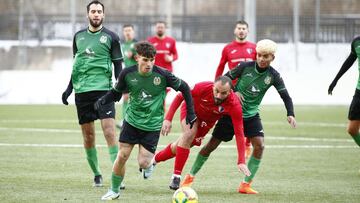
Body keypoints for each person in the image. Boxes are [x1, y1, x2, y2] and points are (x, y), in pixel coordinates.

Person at [181, 39, 297, 194]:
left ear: (272, 58)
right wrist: (234, 91)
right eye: (260, 55)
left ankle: (245, 184)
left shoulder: (274, 75)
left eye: (266, 56)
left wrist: (290, 113)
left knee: (260, 145)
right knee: (211, 146)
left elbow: (286, 96)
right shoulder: (245, 67)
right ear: (256, 55)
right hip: (230, 113)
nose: (262, 59)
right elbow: (225, 79)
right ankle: (190, 176)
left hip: (251, 115)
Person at [96, 41, 196, 200]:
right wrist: (103, 100)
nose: (149, 64)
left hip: (152, 125)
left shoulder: (163, 74)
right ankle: (114, 190)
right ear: (137, 58)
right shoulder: (127, 74)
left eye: (152, 60)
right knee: (122, 156)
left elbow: (184, 87)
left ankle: (149, 165)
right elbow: (116, 93)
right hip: (131, 122)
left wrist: (191, 112)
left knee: (143, 162)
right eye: (145, 60)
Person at [61, 0, 124, 188]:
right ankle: (97, 174)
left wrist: (118, 89)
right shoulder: (78, 36)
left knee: (110, 132)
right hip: (82, 92)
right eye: (93, 11)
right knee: (88, 137)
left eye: (99, 12)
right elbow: (77, 65)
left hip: (104, 91)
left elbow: (118, 66)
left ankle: (116, 176)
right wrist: (69, 88)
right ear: (88, 14)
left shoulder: (112, 37)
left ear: (103, 15)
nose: (96, 14)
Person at [152, 76, 251, 191]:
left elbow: (239, 132)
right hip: (190, 110)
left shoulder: (234, 105)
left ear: (230, 92)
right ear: (213, 87)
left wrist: (241, 161)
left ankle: (155, 159)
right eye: (216, 91)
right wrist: (168, 118)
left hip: (206, 122)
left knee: (181, 145)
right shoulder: (203, 87)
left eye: (223, 93)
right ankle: (176, 176)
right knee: (189, 134)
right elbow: (180, 96)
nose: (219, 95)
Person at [214, 20, 257, 159]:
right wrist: (216, 83)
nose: (241, 31)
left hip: (249, 88)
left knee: (249, 114)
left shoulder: (254, 48)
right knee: (227, 114)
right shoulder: (228, 48)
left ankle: (248, 142)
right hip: (231, 88)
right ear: (235, 30)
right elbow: (221, 66)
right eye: (239, 28)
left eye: (244, 28)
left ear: (248, 31)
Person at [328, 36, 360, 148]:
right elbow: (349, 61)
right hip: (359, 92)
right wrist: (336, 80)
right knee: (352, 129)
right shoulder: (356, 42)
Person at [117, 24, 137, 129]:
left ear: (133, 32)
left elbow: (143, 58)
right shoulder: (123, 45)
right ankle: (125, 120)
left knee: (134, 99)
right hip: (126, 76)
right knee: (125, 98)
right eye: (125, 31)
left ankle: (132, 120)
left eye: (129, 30)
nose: (127, 32)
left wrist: (134, 55)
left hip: (136, 76)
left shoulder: (137, 45)